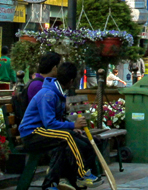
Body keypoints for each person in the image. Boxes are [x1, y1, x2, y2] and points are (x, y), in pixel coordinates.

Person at [19, 62, 99, 190]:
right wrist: (72, 125)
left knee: (81, 142)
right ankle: (81, 174)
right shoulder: (48, 94)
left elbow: (57, 119)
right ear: (71, 81)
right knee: (67, 136)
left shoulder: (57, 92)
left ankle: (53, 184)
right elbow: (49, 123)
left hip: (45, 131)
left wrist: (72, 128)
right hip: (33, 133)